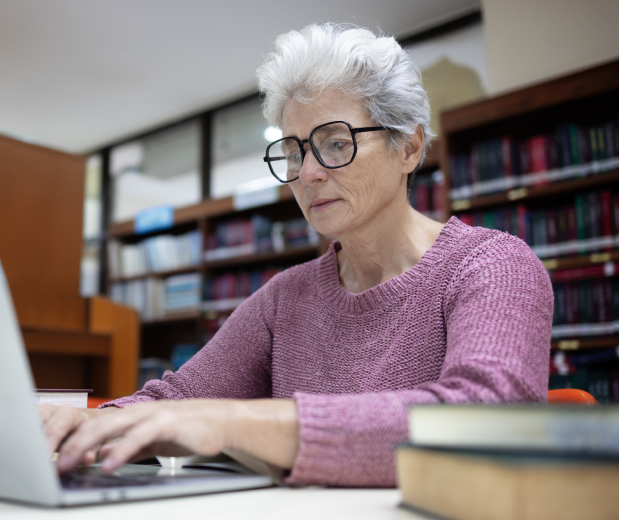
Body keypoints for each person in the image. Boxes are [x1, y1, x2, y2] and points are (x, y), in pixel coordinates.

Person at [40, 23, 553, 487]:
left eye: (335, 143)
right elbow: (176, 400)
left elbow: (490, 417)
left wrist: (233, 422)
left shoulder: (493, 267)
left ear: (410, 149)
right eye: (292, 150)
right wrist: (89, 423)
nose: (307, 173)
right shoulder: (285, 299)